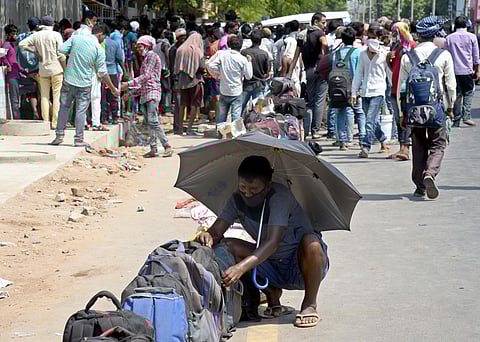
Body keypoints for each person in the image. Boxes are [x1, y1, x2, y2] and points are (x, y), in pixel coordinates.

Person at [196, 156, 329, 328]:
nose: (247, 193)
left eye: (254, 189)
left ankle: (310, 304)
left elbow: (272, 242)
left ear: (267, 186)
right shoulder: (237, 199)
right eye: (243, 187)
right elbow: (216, 231)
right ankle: (272, 293)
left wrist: (240, 267)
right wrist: (208, 236)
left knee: (312, 242)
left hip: (301, 265)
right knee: (229, 246)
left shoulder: (279, 196)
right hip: (271, 264)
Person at [399, 16, 456, 199]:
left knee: (418, 146)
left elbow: (402, 87)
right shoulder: (444, 55)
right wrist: (450, 107)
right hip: (436, 108)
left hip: (414, 110)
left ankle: (419, 187)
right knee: (438, 144)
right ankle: (430, 173)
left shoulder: (407, 57)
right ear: (435, 35)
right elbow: (451, 85)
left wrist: (403, 113)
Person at [50, 23, 119, 147]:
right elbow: (103, 72)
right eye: (104, 37)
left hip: (68, 80)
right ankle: (78, 139)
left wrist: (72, 56)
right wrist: (113, 88)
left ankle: (59, 135)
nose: (104, 40)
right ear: (100, 34)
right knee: (81, 111)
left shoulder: (76, 39)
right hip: (85, 83)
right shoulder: (98, 49)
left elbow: (61, 50)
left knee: (64, 107)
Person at [122, 35, 173, 158]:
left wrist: (128, 84)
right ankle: (153, 148)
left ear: (147, 46)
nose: (138, 49)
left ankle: (167, 145)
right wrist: (130, 93)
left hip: (152, 93)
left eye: (140, 46)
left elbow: (146, 76)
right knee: (150, 123)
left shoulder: (152, 56)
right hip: (146, 94)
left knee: (153, 121)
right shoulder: (146, 59)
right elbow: (144, 83)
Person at [19, 16, 66, 129]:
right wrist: (65, 69)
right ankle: (55, 123)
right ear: (52, 25)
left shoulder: (36, 35)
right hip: (56, 69)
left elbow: (21, 44)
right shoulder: (56, 35)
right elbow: (61, 54)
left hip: (43, 69)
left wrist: (35, 52)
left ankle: (45, 122)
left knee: (44, 96)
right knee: (56, 96)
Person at [351, 27, 391, 158]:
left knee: (369, 121)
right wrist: (353, 92)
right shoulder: (362, 54)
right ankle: (384, 140)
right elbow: (358, 74)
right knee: (372, 121)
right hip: (365, 91)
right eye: (370, 37)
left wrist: (396, 88)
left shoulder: (385, 54)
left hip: (378, 91)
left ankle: (365, 147)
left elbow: (389, 74)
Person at [289, 13, 329, 139]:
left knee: (310, 102)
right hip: (320, 69)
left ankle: (305, 130)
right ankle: (315, 130)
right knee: (320, 101)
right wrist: (325, 56)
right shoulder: (319, 33)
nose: (325, 25)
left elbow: (296, 56)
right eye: (323, 22)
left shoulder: (302, 35)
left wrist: (289, 73)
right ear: (316, 22)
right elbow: (325, 43)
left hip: (309, 71)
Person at [206, 35, 253, 129]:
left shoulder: (221, 54)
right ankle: (234, 136)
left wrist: (218, 75)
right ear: (241, 46)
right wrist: (249, 62)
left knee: (221, 116)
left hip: (224, 90)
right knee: (235, 117)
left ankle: (220, 134)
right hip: (236, 91)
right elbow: (249, 76)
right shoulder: (243, 59)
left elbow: (209, 64)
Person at [387, 22, 416, 161]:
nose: (394, 35)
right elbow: (393, 68)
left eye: (396, 32)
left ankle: (406, 148)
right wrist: (388, 59)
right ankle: (401, 147)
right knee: (398, 118)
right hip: (395, 86)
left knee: (405, 116)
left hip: (405, 88)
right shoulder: (396, 47)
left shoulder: (411, 46)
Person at [445, 15, 480, 127]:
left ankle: (456, 119)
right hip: (467, 70)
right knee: (469, 92)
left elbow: (446, 55)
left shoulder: (449, 38)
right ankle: (466, 116)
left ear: (455, 25)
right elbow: (476, 56)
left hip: (453, 71)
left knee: (457, 94)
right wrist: (477, 71)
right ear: (466, 25)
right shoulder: (472, 37)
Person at [330, 27, 361, 151]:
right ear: (354, 39)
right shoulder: (357, 53)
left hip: (338, 87)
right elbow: (359, 71)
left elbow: (333, 70)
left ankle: (342, 141)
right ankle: (356, 138)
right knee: (357, 112)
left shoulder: (336, 54)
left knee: (340, 112)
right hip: (353, 86)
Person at [174, 32, 205, 135]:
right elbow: (201, 66)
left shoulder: (180, 49)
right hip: (195, 80)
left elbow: (176, 66)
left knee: (182, 104)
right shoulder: (197, 50)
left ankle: (180, 128)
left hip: (182, 81)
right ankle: (189, 128)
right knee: (194, 105)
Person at [241, 29, 270, 114]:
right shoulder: (264, 54)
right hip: (259, 84)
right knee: (259, 109)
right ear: (261, 41)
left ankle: (239, 124)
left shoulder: (244, 52)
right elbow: (266, 71)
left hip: (246, 84)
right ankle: (257, 124)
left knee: (241, 108)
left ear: (251, 40)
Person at [101, 27, 124, 126]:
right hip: (112, 71)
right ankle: (114, 117)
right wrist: (124, 69)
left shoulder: (99, 44)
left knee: (103, 96)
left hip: (101, 72)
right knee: (114, 94)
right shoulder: (115, 44)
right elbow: (119, 58)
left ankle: (104, 117)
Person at [168, 28, 187, 134]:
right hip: (176, 80)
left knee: (182, 103)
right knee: (178, 103)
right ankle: (177, 126)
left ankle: (180, 124)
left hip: (182, 79)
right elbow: (172, 66)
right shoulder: (174, 49)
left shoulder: (183, 48)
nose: (183, 39)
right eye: (181, 38)